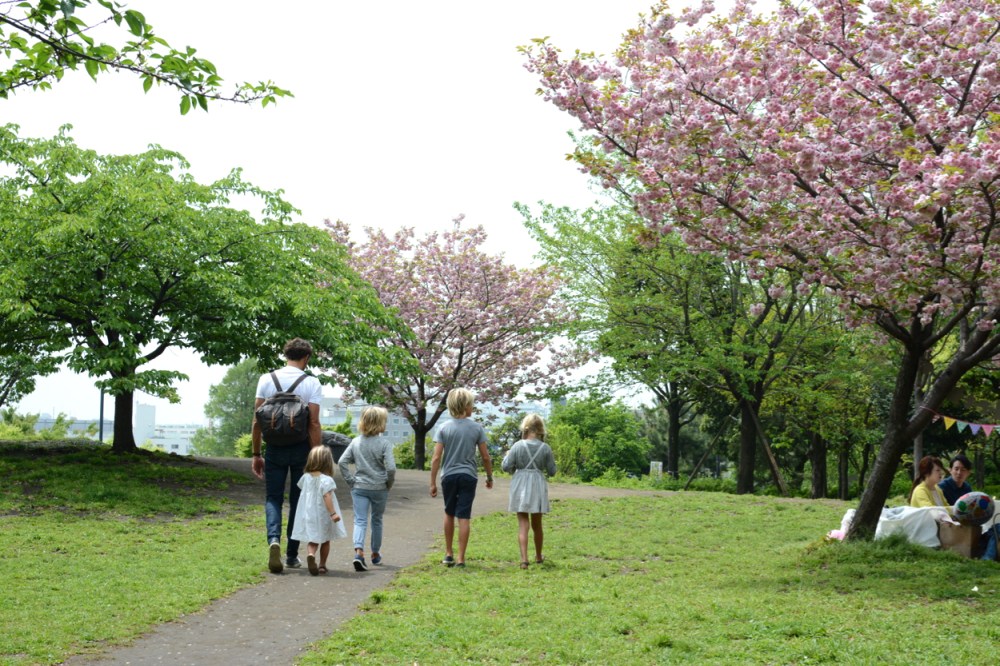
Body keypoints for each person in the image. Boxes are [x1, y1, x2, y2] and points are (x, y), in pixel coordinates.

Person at [250, 337, 324, 574]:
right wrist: (317, 455)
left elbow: (257, 421)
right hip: (300, 448)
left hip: (273, 448)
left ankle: (274, 540)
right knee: (297, 501)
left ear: (286, 354)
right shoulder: (311, 383)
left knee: (273, 498)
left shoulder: (266, 379)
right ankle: (292, 556)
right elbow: (313, 423)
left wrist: (256, 453)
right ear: (307, 357)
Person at [429, 388, 494, 568]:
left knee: (449, 512)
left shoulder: (443, 428)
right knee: (464, 516)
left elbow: (436, 458)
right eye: (471, 404)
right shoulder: (476, 428)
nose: (472, 407)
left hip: (448, 476)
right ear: (466, 406)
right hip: (468, 476)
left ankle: (448, 553)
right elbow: (486, 456)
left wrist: (432, 483)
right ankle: (461, 558)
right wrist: (489, 476)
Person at [338, 406, 396, 571]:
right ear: (380, 423)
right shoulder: (385, 444)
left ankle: (359, 552)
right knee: (376, 520)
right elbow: (391, 468)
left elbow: (342, 462)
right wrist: (388, 483)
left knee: (360, 520)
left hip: (359, 487)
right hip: (380, 488)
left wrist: (350, 481)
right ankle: (375, 554)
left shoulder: (355, 442)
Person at [501, 413, 556, 569]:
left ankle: (524, 559)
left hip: (520, 483)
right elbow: (552, 471)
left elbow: (506, 467)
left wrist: (507, 457)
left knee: (523, 523)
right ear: (540, 429)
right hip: (537, 483)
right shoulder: (545, 448)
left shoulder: (518, 446)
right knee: (537, 524)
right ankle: (538, 556)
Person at [290, 445, 347, 575]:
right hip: (323, 514)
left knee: (313, 538)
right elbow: (327, 496)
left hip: (308, 514)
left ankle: (311, 554)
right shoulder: (327, 480)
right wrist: (333, 513)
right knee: (326, 540)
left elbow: (302, 491)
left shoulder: (305, 477)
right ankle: (322, 565)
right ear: (327, 462)